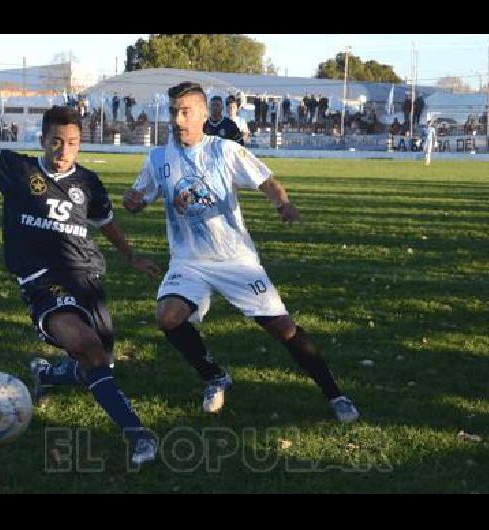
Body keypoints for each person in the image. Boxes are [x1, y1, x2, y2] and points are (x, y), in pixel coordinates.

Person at [0, 85, 161, 465]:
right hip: (41, 279)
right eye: (56, 141)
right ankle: (139, 437)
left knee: (100, 362)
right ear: (42, 140)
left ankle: (50, 375)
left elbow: (105, 221)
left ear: (79, 144)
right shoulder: (18, 171)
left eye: (71, 142)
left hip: (87, 278)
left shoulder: (88, 183)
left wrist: (131, 254)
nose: (63, 150)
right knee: (89, 347)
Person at [122, 81, 360, 423]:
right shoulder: (158, 158)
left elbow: (267, 181)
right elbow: (138, 198)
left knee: (284, 329)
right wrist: (132, 202)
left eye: (186, 112)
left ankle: (334, 393)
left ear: (204, 114)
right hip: (188, 261)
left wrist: (283, 204)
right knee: (168, 316)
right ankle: (215, 377)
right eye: (174, 111)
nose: (178, 119)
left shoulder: (223, 151)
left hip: (235, 260)